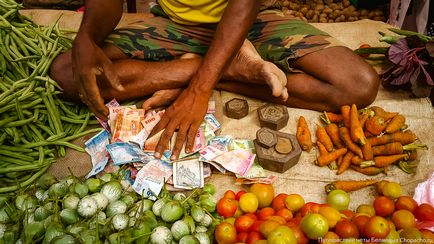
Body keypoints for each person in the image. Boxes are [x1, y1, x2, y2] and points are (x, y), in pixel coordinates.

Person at [50, 0, 380, 161]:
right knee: (69, 73)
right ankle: (231, 69)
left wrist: (201, 89)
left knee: (357, 85)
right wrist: (87, 36)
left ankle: (213, 71)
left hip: (250, 20)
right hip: (176, 25)